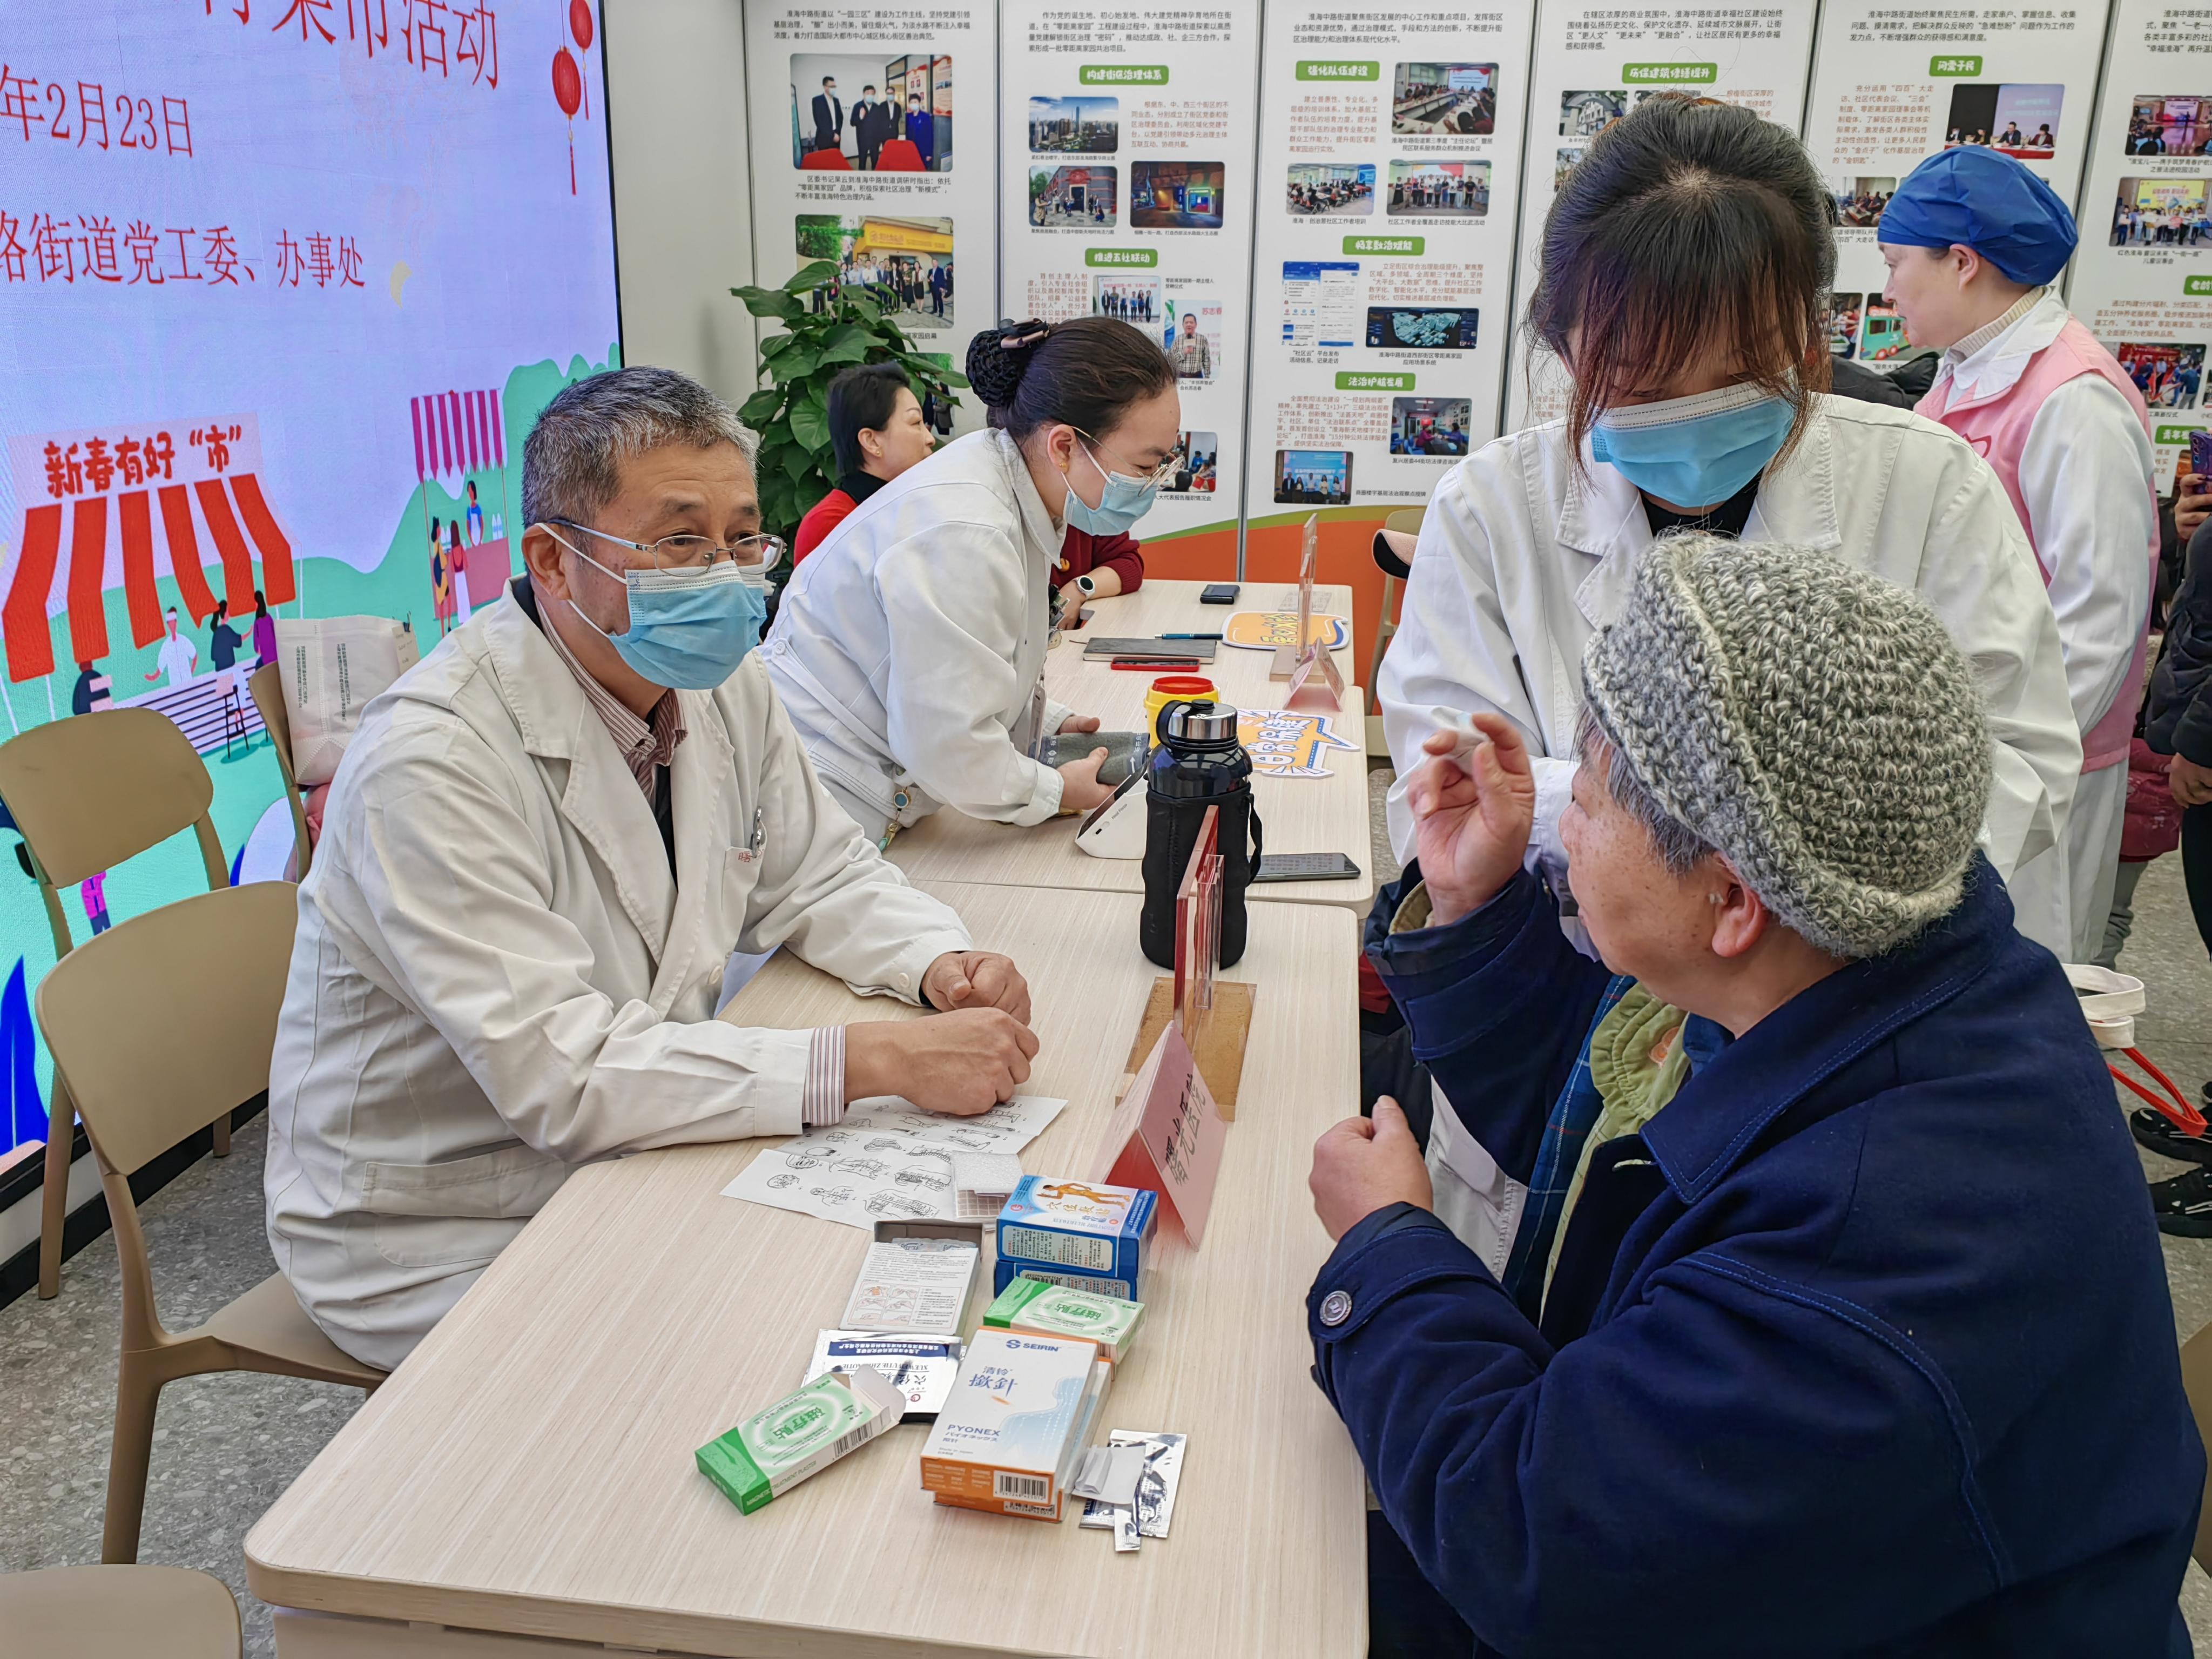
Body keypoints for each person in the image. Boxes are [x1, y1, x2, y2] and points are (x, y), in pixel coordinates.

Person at [1316, 535, 2203, 1656]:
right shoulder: (1867, 955)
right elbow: (1601, 1143)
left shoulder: (1878, 1238)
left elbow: (1541, 1552)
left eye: (1584, 798)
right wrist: (1471, 906)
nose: (1557, 824)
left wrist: (1386, 1252)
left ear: (1731, 902)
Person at [1375, 95, 2079, 1257]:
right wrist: (1710, 847)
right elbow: (1449, 794)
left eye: (1741, 375)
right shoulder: (1494, 508)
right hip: (1546, 1030)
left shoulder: (1925, 487)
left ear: (1812, 337)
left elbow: (2013, 769)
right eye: (1641, 380)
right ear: (1564, 346)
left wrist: (1604, 815)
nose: (1690, 417)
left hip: (1834, 1060)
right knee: (1552, 1308)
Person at [264, 367, 1041, 1369]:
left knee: (890, 1285)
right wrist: (874, 1060)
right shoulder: (434, 759)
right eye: (680, 542)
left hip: (624, 1140)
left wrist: (938, 962)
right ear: (552, 560)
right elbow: (564, 1073)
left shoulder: (718, 683)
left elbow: (819, 872)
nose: (725, 576)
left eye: (742, 540)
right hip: (440, 1218)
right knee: (746, 1345)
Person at [1880, 146, 2158, 965]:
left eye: (1896, 264)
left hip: (2034, 768)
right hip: (1959, 751)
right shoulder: (1962, 374)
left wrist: (2006, 765)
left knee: (2023, 970)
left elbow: (2098, 620)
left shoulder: (2075, 400)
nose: (1888, 290)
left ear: (1962, 262)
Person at [765, 318, 1179, 844]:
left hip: (868, 780)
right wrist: (1056, 790)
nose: (1152, 484)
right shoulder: (968, 529)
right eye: (1145, 466)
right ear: (1063, 447)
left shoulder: (1008, 485)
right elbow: (947, 745)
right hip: (820, 795)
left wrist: (1043, 722)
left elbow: (961, 665)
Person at [793, 362, 938, 563]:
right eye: (915, 423)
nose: (930, 439)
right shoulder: (831, 523)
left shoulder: (913, 506)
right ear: (871, 441)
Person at [143, 606, 199, 688]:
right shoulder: (166, 646)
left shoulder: (183, 640)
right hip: (175, 687)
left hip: (189, 684)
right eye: (170, 623)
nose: (172, 625)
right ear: (168, 625)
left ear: (176, 623)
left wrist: (190, 673)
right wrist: (151, 677)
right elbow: (160, 669)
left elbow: (195, 656)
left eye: (174, 623)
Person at [1168, 310, 1212, 382]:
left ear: (1196, 325)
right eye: (1186, 323)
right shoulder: (1178, 339)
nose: (1189, 325)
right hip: (1181, 376)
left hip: (1198, 376)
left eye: (1191, 322)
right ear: (1183, 325)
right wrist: (1183, 353)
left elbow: (1206, 359)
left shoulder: (1202, 339)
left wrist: (1207, 377)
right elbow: (1171, 359)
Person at [853, 83, 885, 170]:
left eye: (872, 94)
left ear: (874, 95)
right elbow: (852, 122)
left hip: (875, 141)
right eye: (868, 93)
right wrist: (860, 117)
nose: (870, 95)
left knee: (875, 162)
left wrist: (880, 140)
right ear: (864, 94)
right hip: (862, 140)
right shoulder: (858, 106)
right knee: (862, 162)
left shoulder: (877, 107)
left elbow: (880, 125)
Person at [809, 76, 842, 156]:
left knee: (835, 159)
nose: (834, 88)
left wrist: (837, 133)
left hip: (836, 138)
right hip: (824, 139)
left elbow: (840, 118)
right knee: (825, 161)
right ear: (825, 87)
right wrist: (832, 135)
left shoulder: (836, 100)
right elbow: (819, 122)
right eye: (832, 86)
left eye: (834, 86)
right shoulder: (817, 101)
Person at [251, 588, 278, 669]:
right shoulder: (269, 617)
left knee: (258, 666)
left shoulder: (257, 622)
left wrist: (257, 649)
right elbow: (275, 631)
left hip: (266, 657)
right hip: (275, 654)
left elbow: (256, 639)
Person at [465, 478, 485, 544]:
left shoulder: (478, 508)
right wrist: (471, 541)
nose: (470, 493)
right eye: (469, 491)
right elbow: (468, 527)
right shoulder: (469, 510)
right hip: (473, 539)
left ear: (474, 491)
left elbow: (482, 524)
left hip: (479, 538)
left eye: (472, 491)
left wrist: (480, 539)